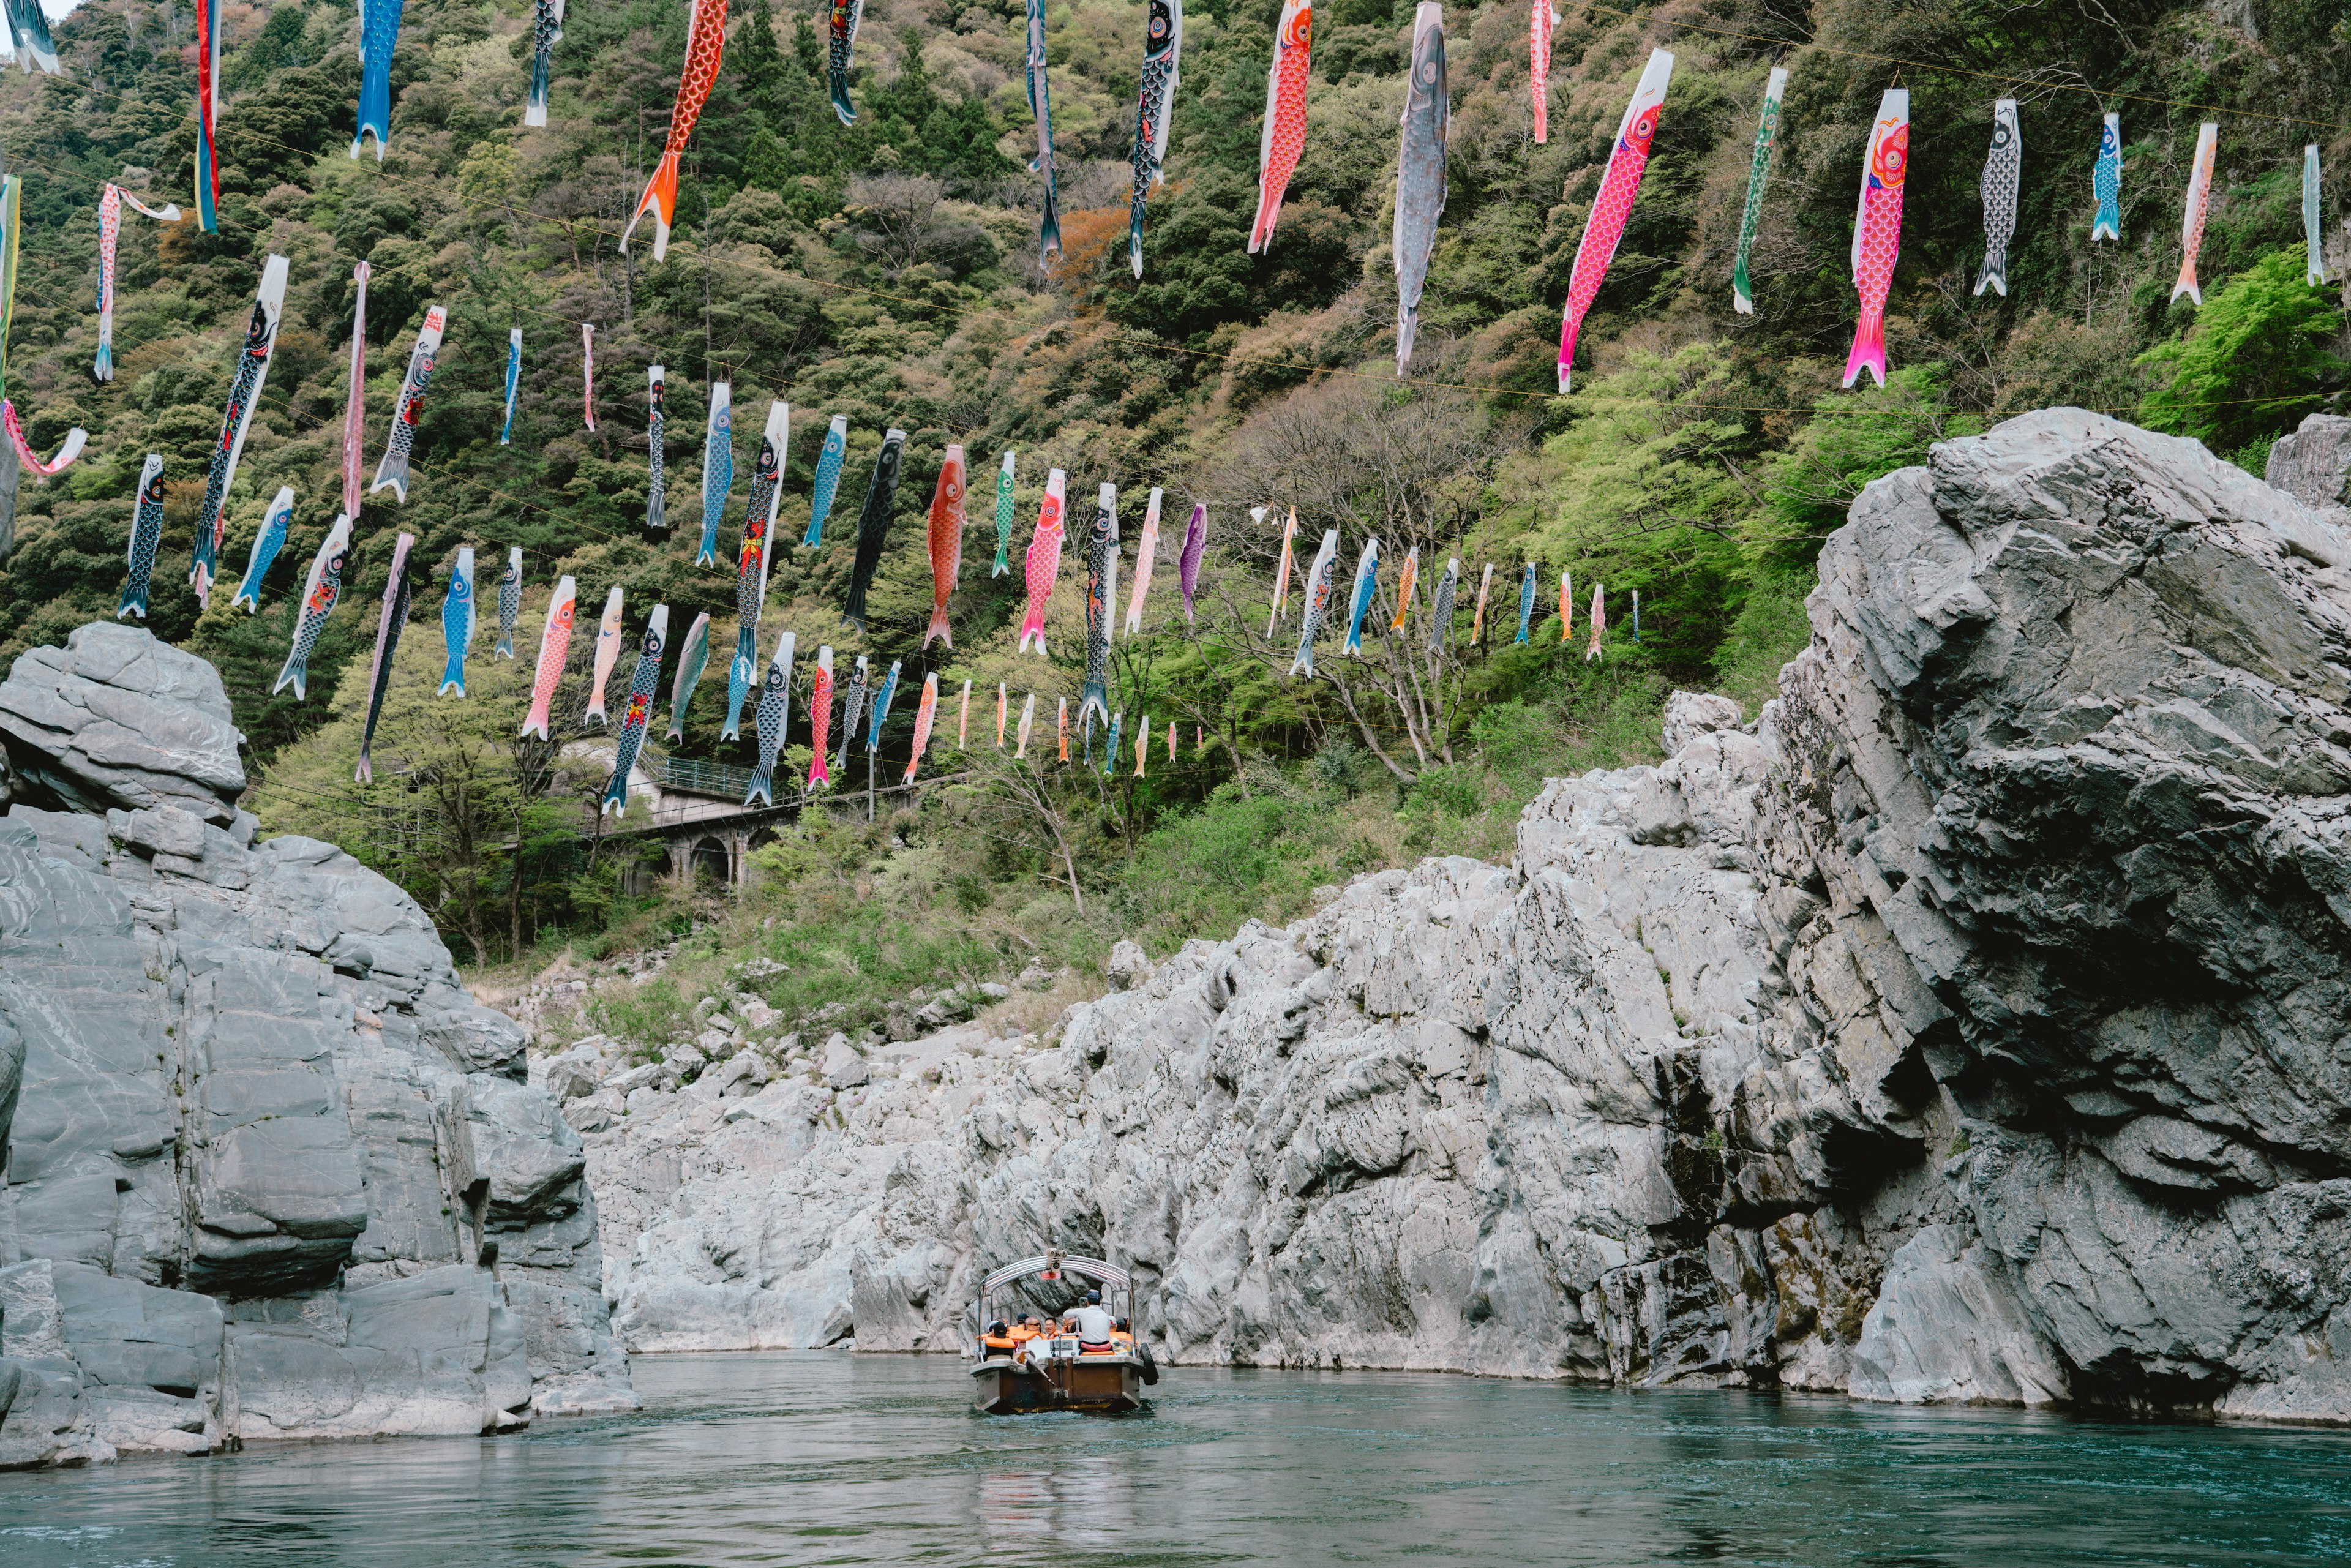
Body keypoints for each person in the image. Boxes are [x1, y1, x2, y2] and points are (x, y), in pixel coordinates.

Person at [1070, 1289, 1117, 1353]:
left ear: (1088, 1302)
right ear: (1100, 1303)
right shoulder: (1105, 1315)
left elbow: (1066, 1314)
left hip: (1088, 1348)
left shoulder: (1083, 1313)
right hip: (1105, 1348)